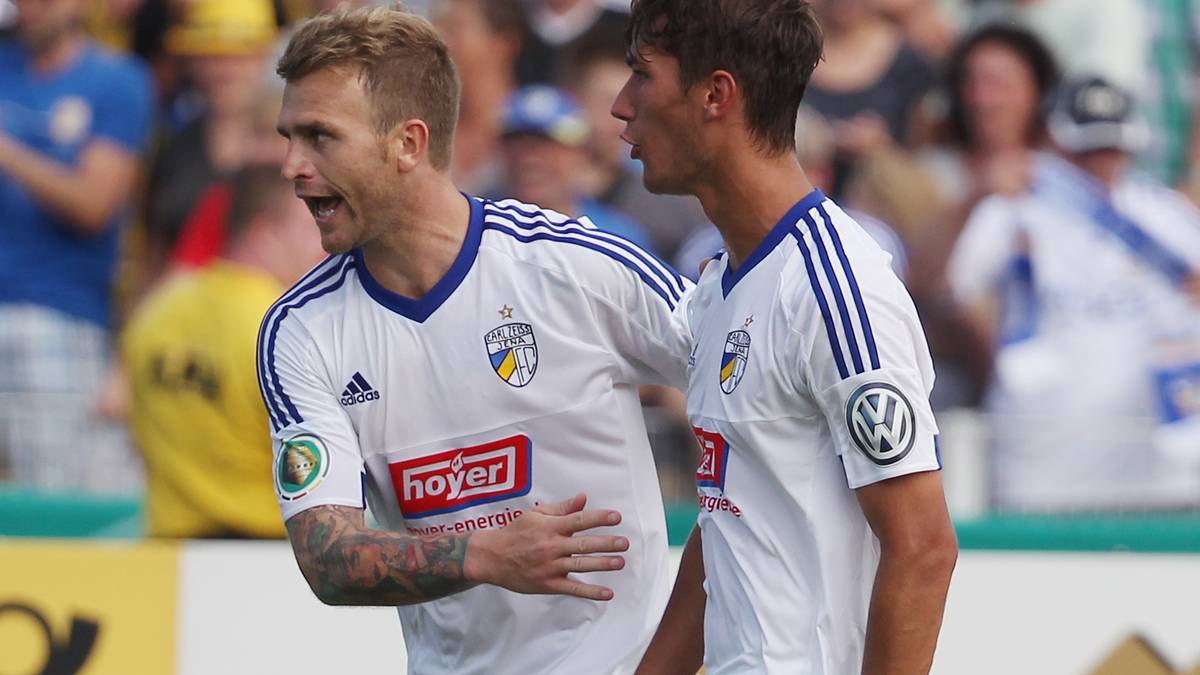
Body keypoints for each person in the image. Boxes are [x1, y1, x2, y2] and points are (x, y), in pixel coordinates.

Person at [263, 7, 692, 674]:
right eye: (289, 137)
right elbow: (326, 555)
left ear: (408, 144)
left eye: (320, 137)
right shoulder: (300, 331)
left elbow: (749, 379)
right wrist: (486, 554)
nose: (292, 165)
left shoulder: (578, 268)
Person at [611, 1, 958, 673]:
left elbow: (923, 550)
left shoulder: (836, 291)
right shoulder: (721, 285)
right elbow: (729, 521)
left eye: (643, 75)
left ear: (716, 95)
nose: (622, 105)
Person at [946, 75, 1200, 512]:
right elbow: (954, 294)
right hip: (1041, 466)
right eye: (1086, 149)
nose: (1100, 161)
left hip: (1158, 469)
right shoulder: (1012, 207)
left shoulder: (1166, 215)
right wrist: (1004, 360)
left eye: (1112, 148)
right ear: (1055, 139)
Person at [121, 164, 324, 539]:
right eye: (310, 230)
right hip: (265, 550)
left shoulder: (157, 312)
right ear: (264, 235)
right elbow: (315, 460)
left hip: (168, 548)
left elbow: (132, 421)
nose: (323, 247)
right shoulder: (281, 329)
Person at [0, 0, 154, 491]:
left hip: (57, 313)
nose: (33, 9)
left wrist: (8, 154)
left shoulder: (117, 80)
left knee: (54, 497)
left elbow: (93, 206)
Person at [492, 84, 651, 247]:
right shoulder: (481, 224)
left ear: (580, 153)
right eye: (515, 143)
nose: (529, 160)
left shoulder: (615, 238)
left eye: (547, 145)